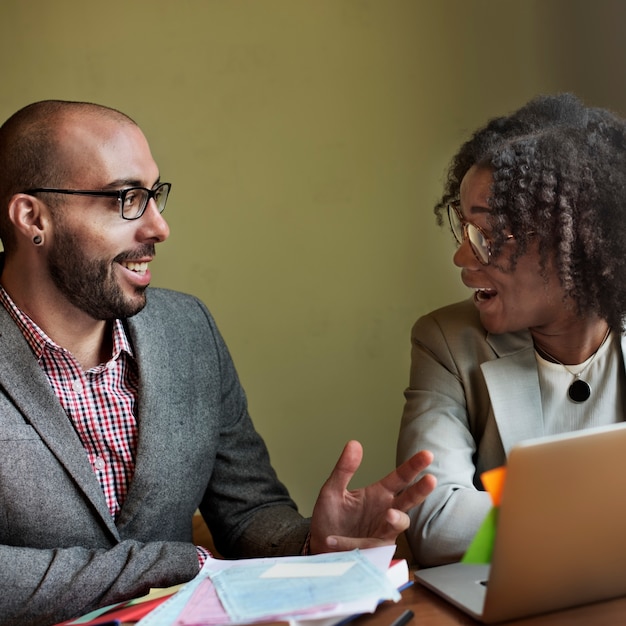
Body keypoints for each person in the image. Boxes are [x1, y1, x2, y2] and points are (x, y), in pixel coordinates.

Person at [0, 100, 436, 626]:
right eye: (126, 199)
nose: (159, 228)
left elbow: (249, 513)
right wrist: (173, 563)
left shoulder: (188, 330)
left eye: (154, 195)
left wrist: (311, 542)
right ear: (32, 217)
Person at [396, 93, 626, 568]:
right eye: (463, 229)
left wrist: (520, 514)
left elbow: (468, 524)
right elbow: (436, 525)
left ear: (575, 241)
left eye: (488, 236)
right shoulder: (445, 342)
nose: (462, 257)